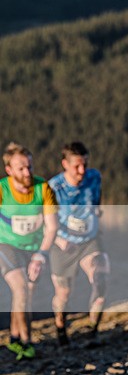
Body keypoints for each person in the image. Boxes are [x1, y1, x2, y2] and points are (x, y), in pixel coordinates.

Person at [48, 142, 109, 346]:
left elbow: (96, 201)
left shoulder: (94, 177)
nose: (82, 170)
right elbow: (44, 220)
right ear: (65, 164)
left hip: (89, 240)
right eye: (76, 166)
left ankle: (92, 332)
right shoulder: (54, 188)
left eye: (85, 164)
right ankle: (61, 330)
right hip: (63, 245)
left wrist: (96, 217)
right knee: (63, 293)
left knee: (101, 280)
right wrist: (58, 239)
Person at [1, 142, 58, 360]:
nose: (27, 173)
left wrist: (41, 255)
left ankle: (14, 338)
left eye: (30, 167)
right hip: (6, 245)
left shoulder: (43, 188)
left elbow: (52, 227)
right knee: (21, 288)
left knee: (26, 294)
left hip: (34, 249)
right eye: (21, 168)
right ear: (9, 170)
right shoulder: (2, 190)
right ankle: (27, 344)